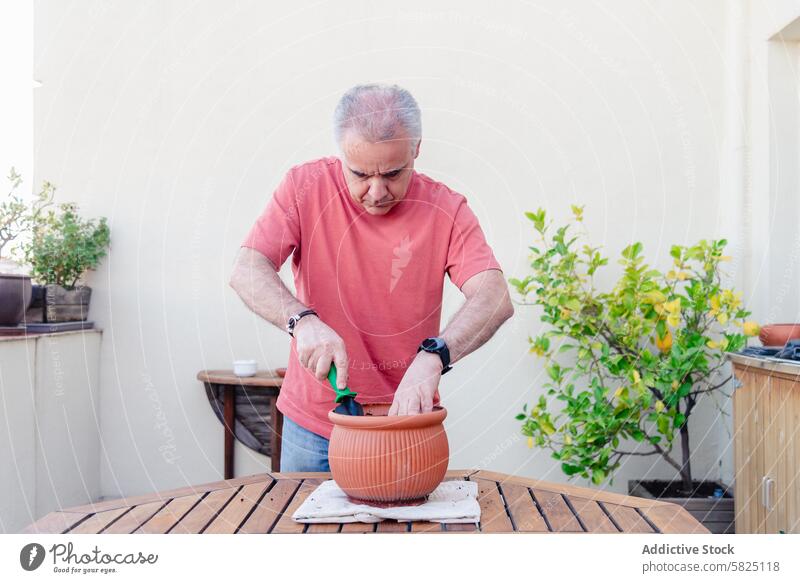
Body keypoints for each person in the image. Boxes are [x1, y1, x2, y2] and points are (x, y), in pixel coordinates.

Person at [229, 83, 514, 471]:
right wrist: (302, 321)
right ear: (341, 153)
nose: (376, 192)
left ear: (416, 149)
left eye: (394, 174)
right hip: (314, 428)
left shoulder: (446, 208)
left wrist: (436, 356)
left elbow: (494, 295)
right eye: (360, 173)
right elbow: (247, 269)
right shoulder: (303, 187)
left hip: (406, 424)